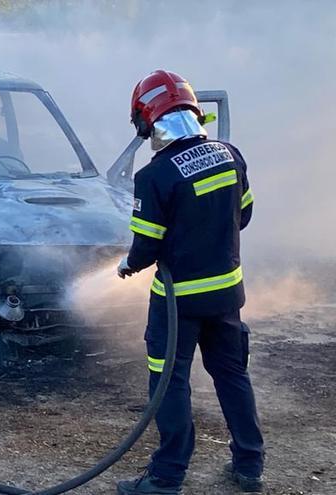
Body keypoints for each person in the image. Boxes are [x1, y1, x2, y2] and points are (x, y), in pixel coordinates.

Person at [115, 70, 265, 495]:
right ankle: (250, 465)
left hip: (178, 303)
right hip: (226, 296)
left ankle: (166, 476)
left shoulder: (154, 176)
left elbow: (146, 246)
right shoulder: (230, 154)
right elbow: (245, 214)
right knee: (232, 374)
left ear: (148, 120)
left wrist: (128, 264)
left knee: (169, 381)